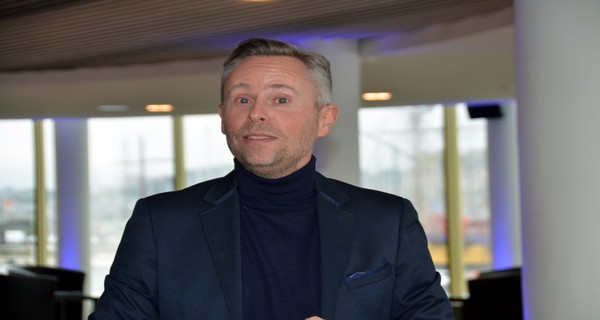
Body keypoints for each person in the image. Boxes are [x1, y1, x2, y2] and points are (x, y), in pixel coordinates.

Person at [89, 38, 454, 320]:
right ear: (222, 117)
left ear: (324, 119)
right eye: (242, 99)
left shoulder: (387, 221)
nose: (257, 114)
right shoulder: (160, 223)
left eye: (280, 100)